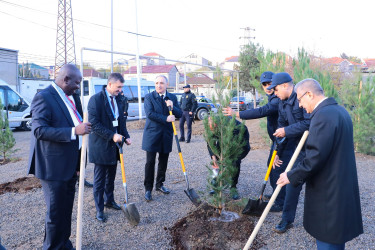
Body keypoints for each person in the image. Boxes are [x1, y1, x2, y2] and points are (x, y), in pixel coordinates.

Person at [277, 79, 363, 249]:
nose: (300, 105)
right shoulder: (340, 111)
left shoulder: (323, 116)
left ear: (309, 94)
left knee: (328, 239)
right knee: (336, 238)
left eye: (300, 100)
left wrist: (291, 175)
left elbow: (315, 157)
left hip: (329, 192)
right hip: (340, 185)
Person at [28, 64, 92, 249]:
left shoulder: (71, 97)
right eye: (77, 83)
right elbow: (39, 131)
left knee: (65, 211)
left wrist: (80, 162)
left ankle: (63, 243)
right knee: (55, 213)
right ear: (65, 79)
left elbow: (78, 123)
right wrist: (74, 131)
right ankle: (52, 247)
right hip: (53, 167)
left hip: (71, 164)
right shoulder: (44, 97)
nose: (78, 87)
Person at [223, 71, 284, 207]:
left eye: (270, 84)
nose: (267, 87)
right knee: (271, 166)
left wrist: (237, 113)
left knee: (275, 167)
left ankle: (280, 201)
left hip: (282, 140)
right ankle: (277, 193)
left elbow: (261, 111)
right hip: (276, 140)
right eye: (264, 84)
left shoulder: (277, 100)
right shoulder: (273, 97)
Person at [267, 72, 310, 233]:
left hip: (314, 146)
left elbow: (309, 123)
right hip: (298, 148)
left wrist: (286, 130)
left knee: (318, 185)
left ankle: (322, 223)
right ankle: (287, 219)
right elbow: (280, 128)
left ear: (286, 85)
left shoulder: (303, 98)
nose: (274, 93)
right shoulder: (282, 102)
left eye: (276, 89)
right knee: (292, 181)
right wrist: (277, 151)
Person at [88, 73, 131, 222]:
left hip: (114, 146)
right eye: (118, 87)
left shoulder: (118, 99)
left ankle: (109, 200)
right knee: (99, 180)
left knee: (111, 177)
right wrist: (112, 136)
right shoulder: (96, 100)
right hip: (100, 146)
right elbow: (94, 124)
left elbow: (121, 121)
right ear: (110, 84)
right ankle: (99, 209)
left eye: (121, 87)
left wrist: (126, 136)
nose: (120, 90)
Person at [142, 75, 182, 201]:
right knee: (150, 162)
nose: (159, 85)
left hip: (166, 134)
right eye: (157, 83)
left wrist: (173, 107)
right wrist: (165, 118)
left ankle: (160, 184)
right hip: (152, 134)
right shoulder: (149, 97)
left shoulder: (172, 97)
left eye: (162, 83)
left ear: (166, 84)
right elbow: (149, 114)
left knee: (163, 161)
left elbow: (180, 114)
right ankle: (148, 189)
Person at [206, 116, 250, 200]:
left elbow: (239, 145)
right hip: (223, 141)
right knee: (217, 161)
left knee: (234, 163)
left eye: (214, 130)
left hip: (238, 144)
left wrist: (226, 165)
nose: (212, 132)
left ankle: (233, 187)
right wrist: (213, 157)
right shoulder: (211, 126)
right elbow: (210, 143)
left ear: (218, 125)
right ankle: (216, 184)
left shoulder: (234, 128)